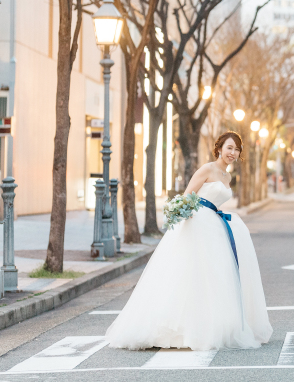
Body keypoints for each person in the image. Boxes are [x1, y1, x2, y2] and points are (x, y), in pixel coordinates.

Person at [107, 131, 272, 350]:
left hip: (216, 225)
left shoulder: (227, 176)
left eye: (236, 149)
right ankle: (175, 326)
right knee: (187, 273)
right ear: (220, 148)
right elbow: (188, 194)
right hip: (198, 222)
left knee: (213, 276)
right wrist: (185, 214)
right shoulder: (208, 169)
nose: (232, 153)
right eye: (229, 148)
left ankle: (209, 324)